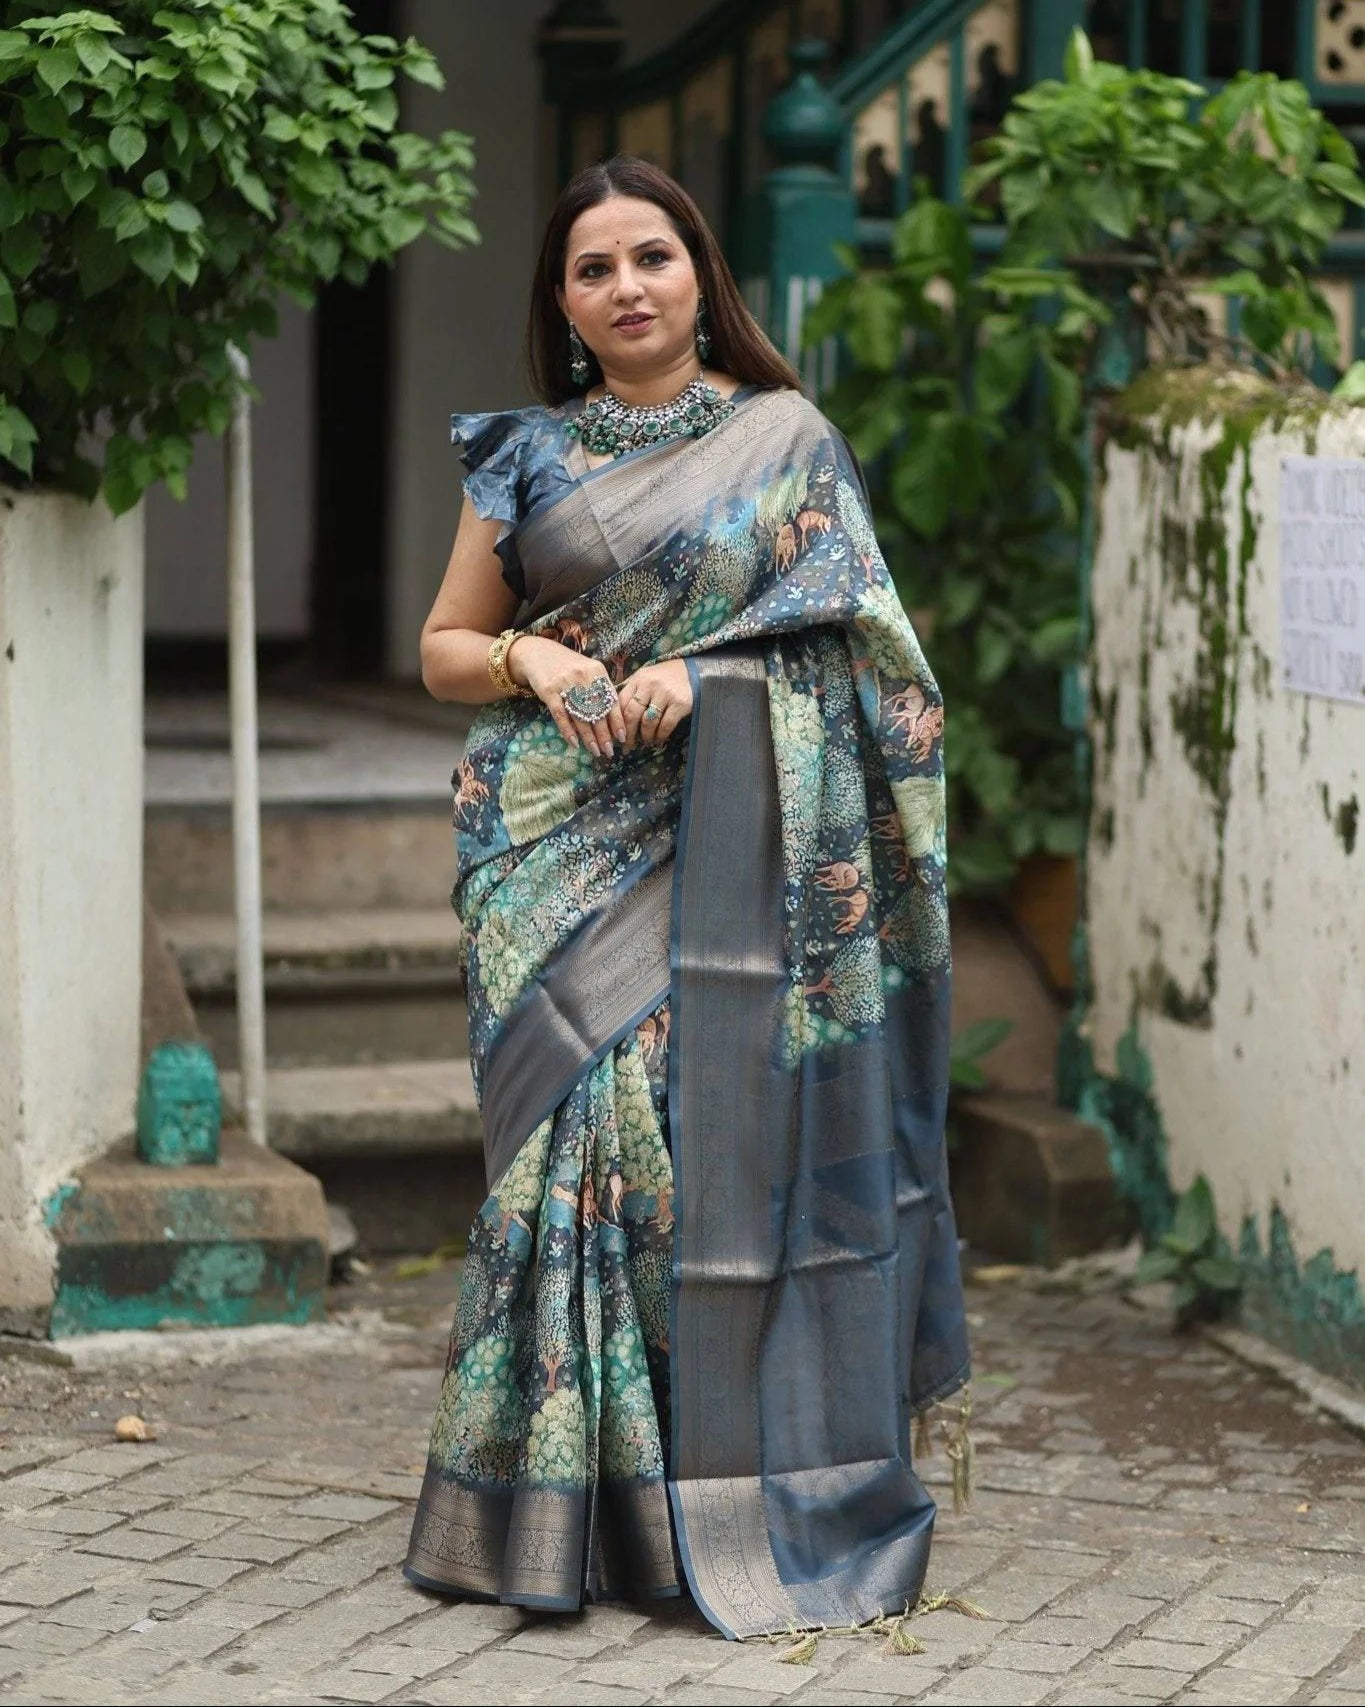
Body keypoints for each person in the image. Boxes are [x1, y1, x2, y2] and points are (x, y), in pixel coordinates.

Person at [404, 154, 969, 1641]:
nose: (626, 287)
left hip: (731, 827)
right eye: (592, 269)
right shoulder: (521, 453)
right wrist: (537, 658)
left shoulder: (785, 441)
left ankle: (687, 1500)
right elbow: (446, 646)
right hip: (547, 835)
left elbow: (863, 649)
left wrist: (708, 675)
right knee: (563, 1147)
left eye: (649, 256)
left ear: (697, 274)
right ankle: (555, 1513)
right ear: (562, 303)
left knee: (671, 1144)